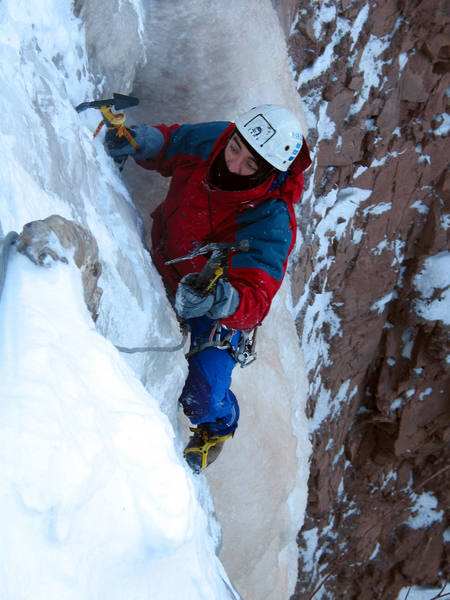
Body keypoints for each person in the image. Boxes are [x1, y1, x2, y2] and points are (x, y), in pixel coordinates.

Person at [105, 104, 312, 472]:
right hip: (165, 259)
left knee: (202, 395)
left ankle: (217, 428)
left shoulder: (271, 217)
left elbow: (256, 296)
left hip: (216, 306)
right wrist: (145, 142)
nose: (234, 165)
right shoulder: (216, 139)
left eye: (251, 165)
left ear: (270, 172)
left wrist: (219, 298)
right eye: (236, 150)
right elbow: (173, 145)